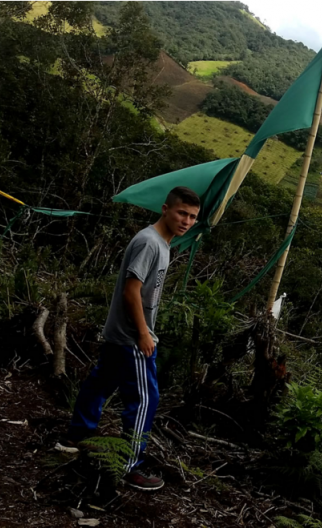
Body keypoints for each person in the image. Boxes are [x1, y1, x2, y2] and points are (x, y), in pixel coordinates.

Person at [62, 186, 200, 491]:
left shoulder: (161, 243)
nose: (186, 221)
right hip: (132, 337)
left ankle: (78, 435)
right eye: (181, 213)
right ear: (165, 209)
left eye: (192, 217)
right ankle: (128, 464)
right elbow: (131, 290)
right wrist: (142, 334)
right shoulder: (150, 243)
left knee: (100, 382)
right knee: (146, 399)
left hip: (120, 333)